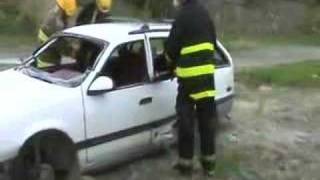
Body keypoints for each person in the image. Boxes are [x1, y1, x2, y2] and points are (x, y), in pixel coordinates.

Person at [165, 0, 218, 177]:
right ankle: (209, 167)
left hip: (188, 81)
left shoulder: (181, 16)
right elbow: (213, 43)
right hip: (207, 79)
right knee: (206, 124)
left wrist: (168, 63)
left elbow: (171, 49)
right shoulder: (205, 14)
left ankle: (185, 166)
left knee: (186, 124)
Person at [37, 0, 79, 68]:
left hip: (43, 55)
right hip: (48, 63)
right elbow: (61, 45)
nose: (68, 17)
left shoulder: (53, 13)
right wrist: (74, 53)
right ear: (64, 11)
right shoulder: (57, 24)